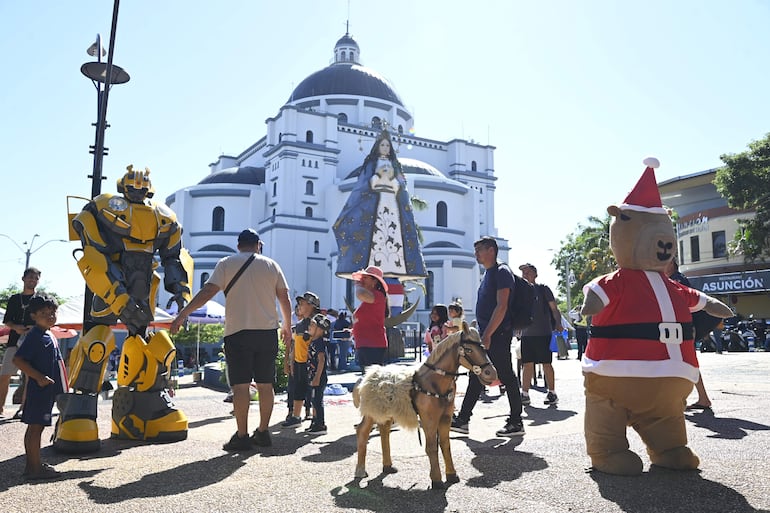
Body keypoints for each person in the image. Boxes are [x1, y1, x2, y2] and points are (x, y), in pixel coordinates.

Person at [171, 229, 292, 451]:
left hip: (238, 332)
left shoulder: (227, 263)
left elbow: (208, 291)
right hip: (266, 331)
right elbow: (284, 297)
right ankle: (264, 432)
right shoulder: (272, 265)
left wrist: (183, 314)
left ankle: (243, 435)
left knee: (241, 386)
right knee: (266, 385)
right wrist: (287, 327)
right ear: (258, 245)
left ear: (238, 245)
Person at [451, 237, 525, 437]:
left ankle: (516, 422)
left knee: (507, 377)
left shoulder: (501, 272)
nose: (476, 255)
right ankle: (463, 419)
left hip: (498, 334)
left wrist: (488, 335)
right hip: (490, 333)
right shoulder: (489, 273)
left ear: (491, 250)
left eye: (479, 251)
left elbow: (502, 306)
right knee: (477, 374)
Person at [333, 130, 426, 280]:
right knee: (376, 235)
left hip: (392, 205)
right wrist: (378, 176)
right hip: (375, 205)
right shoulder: (371, 164)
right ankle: (373, 266)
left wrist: (391, 178)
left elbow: (401, 187)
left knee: (393, 235)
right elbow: (364, 185)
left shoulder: (395, 165)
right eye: (382, 145)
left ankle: (395, 266)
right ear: (377, 146)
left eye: (387, 145)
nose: (385, 148)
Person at [12, 295, 68, 480]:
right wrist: (40, 377)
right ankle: (34, 468)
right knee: (35, 428)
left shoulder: (49, 334)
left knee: (38, 427)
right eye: (44, 313)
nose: (50, 316)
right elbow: (18, 360)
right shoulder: (34, 336)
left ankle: (33, 465)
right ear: (34, 315)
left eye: (52, 312)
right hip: (39, 390)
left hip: (47, 391)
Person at [665, 258, 714, 411]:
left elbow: (681, 306)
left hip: (682, 328)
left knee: (683, 363)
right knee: (686, 362)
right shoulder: (675, 279)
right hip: (681, 328)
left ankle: (680, 398)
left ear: (671, 263)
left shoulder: (677, 280)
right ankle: (702, 398)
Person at [518, 263, 563, 406]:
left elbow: (554, 309)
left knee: (546, 363)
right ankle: (525, 394)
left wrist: (558, 323)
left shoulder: (543, 289)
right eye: (523, 272)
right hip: (526, 334)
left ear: (535, 274)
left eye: (528, 272)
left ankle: (552, 393)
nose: (525, 274)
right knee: (527, 364)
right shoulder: (520, 292)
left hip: (543, 332)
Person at [1, 267, 41, 420]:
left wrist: (33, 327)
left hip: (32, 342)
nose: (33, 280)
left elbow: (45, 319)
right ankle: (0, 408)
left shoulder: (40, 300)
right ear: (23, 279)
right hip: (13, 341)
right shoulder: (14, 299)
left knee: (29, 376)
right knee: (5, 375)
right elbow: (7, 320)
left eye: (36, 278)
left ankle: (24, 408)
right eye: (30, 277)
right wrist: (16, 327)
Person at [283, 291, 320, 428]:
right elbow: (294, 345)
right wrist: (290, 362)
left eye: (302, 303)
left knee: (315, 393)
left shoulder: (317, 323)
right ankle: (296, 417)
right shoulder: (299, 325)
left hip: (312, 364)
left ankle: (317, 419)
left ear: (311, 306)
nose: (299, 306)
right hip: (299, 363)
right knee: (298, 390)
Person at [350, 265, 390, 374]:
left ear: (374, 281)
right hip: (366, 344)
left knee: (371, 380)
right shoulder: (372, 299)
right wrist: (352, 332)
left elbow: (360, 294)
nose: (362, 279)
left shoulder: (378, 296)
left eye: (366, 277)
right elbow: (367, 320)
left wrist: (358, 285)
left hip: (372, 345)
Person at [306, 313, 331, 435]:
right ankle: (315, 422)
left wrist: (316, 377)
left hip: (319, 377)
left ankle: (320, 424)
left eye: (312, 325)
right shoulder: (313, 341)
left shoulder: (319, 343)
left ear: (320, 329)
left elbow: (321, 360)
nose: (309, 326)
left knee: (317, 400)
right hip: (313, 376)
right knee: (313, 400)